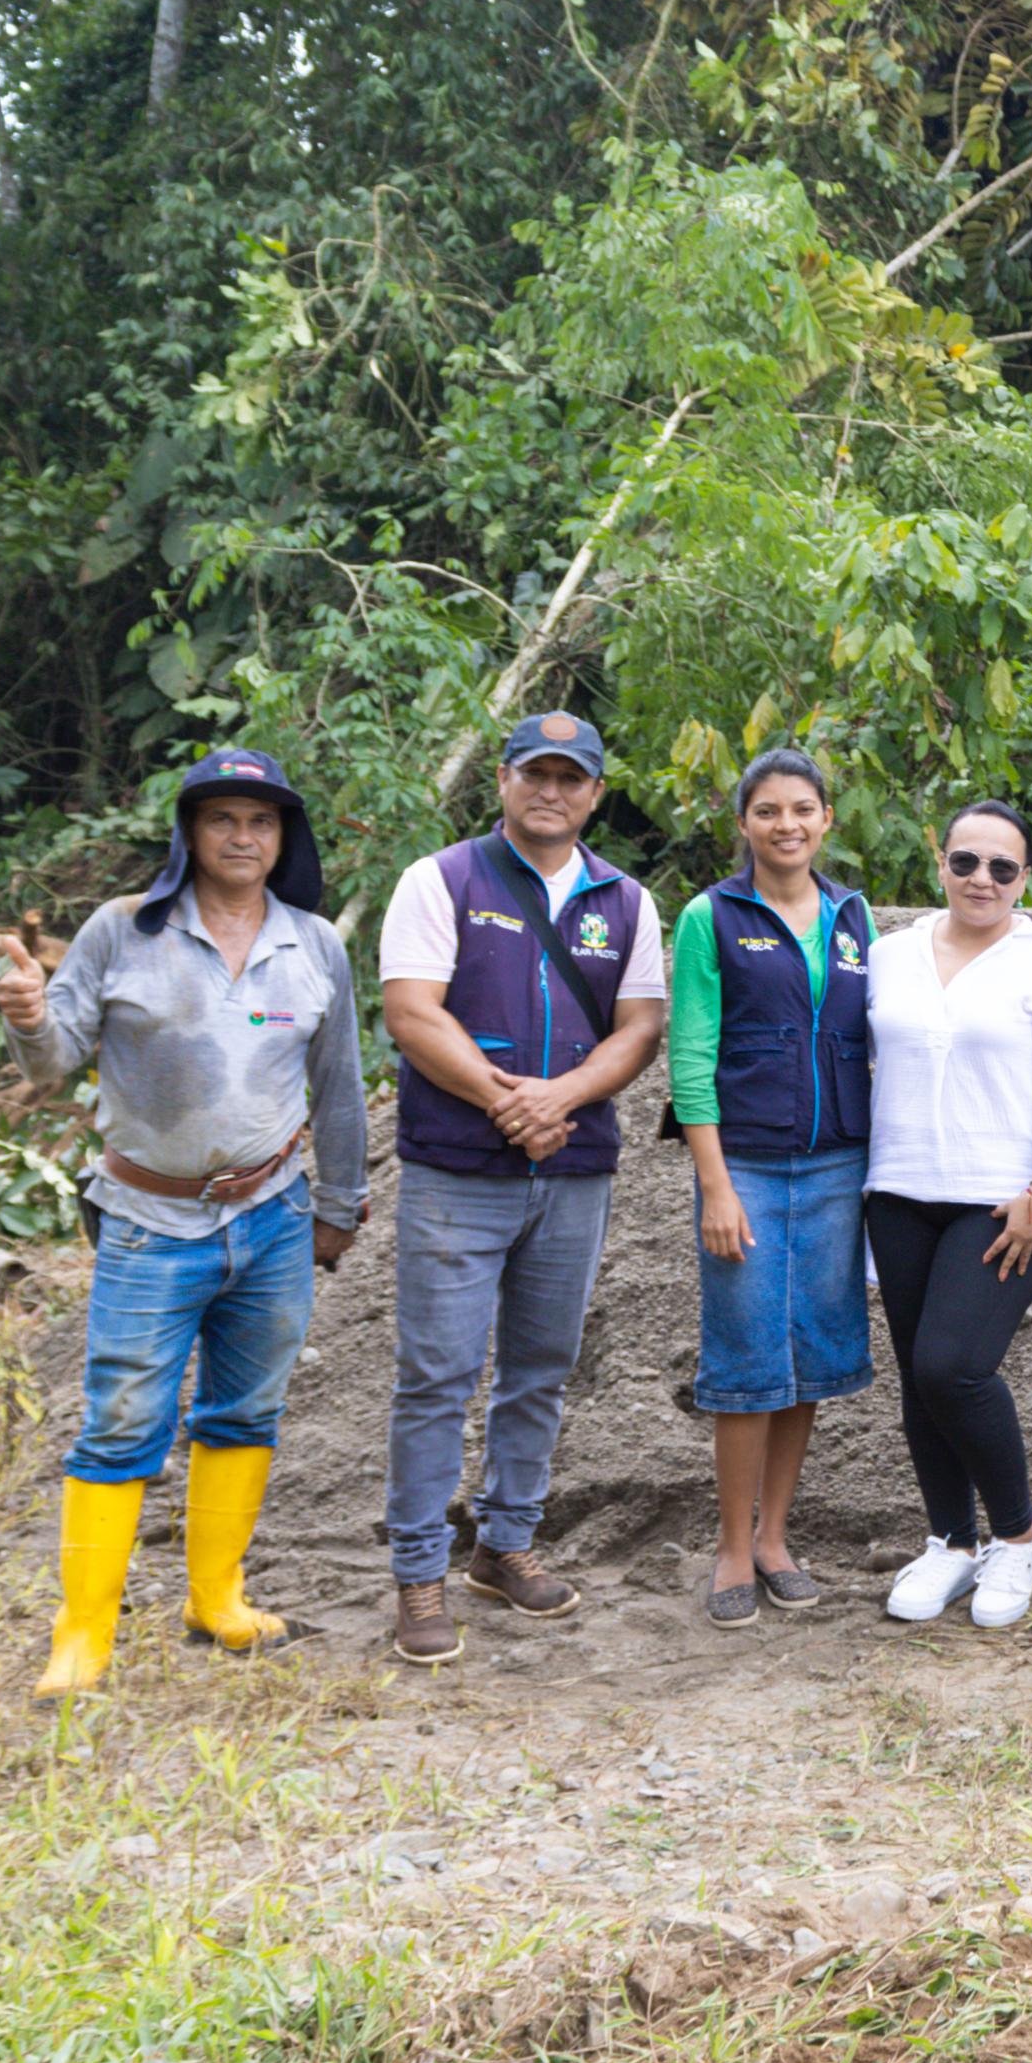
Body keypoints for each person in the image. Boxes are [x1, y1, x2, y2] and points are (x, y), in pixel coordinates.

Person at [0, 748, 367, 1698]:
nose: (242, 837)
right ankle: (82, 1636)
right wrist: (29, 1016)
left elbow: (339, 1087)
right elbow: (51, 1060)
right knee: (121, 1422)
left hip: (274, 1216)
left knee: (245, 1410)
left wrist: (339, 1204)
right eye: (222, 819)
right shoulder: (124, 930)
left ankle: (217, 1599)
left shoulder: (313, 944)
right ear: (189, 833)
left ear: (283, 837)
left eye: (261, 821)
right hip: (147, 1220)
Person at [378, 712, 671, 1661]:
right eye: (534, 773)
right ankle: (419, 1570)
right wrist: (508, 1101)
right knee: (437, 1375)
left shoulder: (626, 901)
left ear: (595, 793)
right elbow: (412, 1012)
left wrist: (563, 1097)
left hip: (573, 1170)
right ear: (502, 779)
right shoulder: (441, 880)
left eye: (570, 777)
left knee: (541, 1365)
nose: (551, 791)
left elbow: (639, 1026)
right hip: (457, 1168)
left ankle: (504, 1543)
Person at [866, 798, 1032, 1631]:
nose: (982, 878)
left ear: (1024, 878)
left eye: (1002, 867)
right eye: (966, 861)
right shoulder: (889, 956)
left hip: (1008, 1201)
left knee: (952, 1366)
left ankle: (1016, 1532)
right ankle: (951, 1541)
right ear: (942, 863)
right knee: (916, 1375)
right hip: (899, 1189)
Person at [667, 748, 879, 1630]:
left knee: (810, 1357)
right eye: (767, 810)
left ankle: (774, 1539)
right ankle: (729, 1548)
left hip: (838, 1167)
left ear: (827, 817)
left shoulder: (853, 917)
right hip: (746, 1166)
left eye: (802, 808)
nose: (786, 824)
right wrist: (715, 1184)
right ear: (743, 823)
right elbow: (690, 1057)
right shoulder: (709, 918)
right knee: (747, 1356)